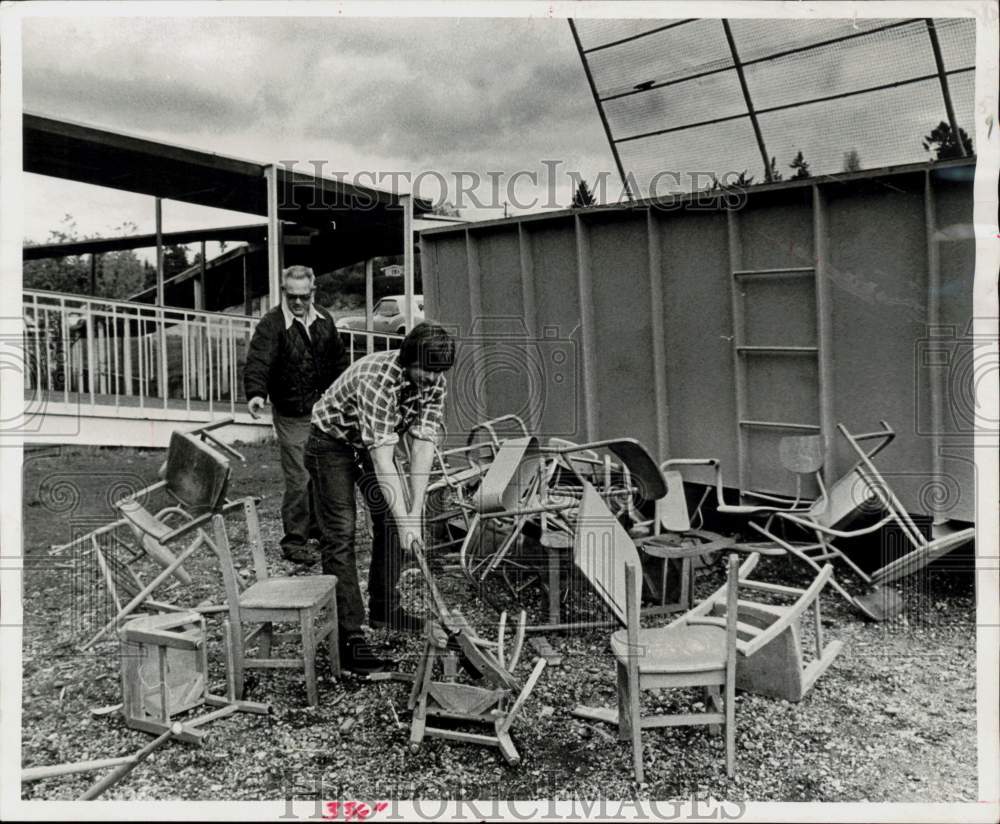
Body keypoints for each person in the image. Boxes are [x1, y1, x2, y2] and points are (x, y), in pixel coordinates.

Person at [305, 322, 456, 674]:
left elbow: (422, 447)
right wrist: (406, 522)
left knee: (392, 519)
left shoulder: (434, 383)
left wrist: (413, 515)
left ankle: (387, 608)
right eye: (427, 370)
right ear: (408, 360)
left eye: (439, 372)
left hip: (366, 445)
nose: (434, 380)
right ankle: (350, 640)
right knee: (342, 532)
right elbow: (383, 459)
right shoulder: (378, 379)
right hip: (330, 444)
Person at [243, 265, 348, 565]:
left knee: (324, 473)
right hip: (291, 412)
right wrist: (256, 394)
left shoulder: (325, 320)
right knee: (299, 478)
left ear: (313, 292)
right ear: (284, 293)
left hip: (324, 412)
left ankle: (318, 528)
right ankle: (294, 541)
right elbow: (258, 361)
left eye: (304, 296)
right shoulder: (271, 325)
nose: (298, 302)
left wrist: (344, 398)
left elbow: (339, 362)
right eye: (292, 296)